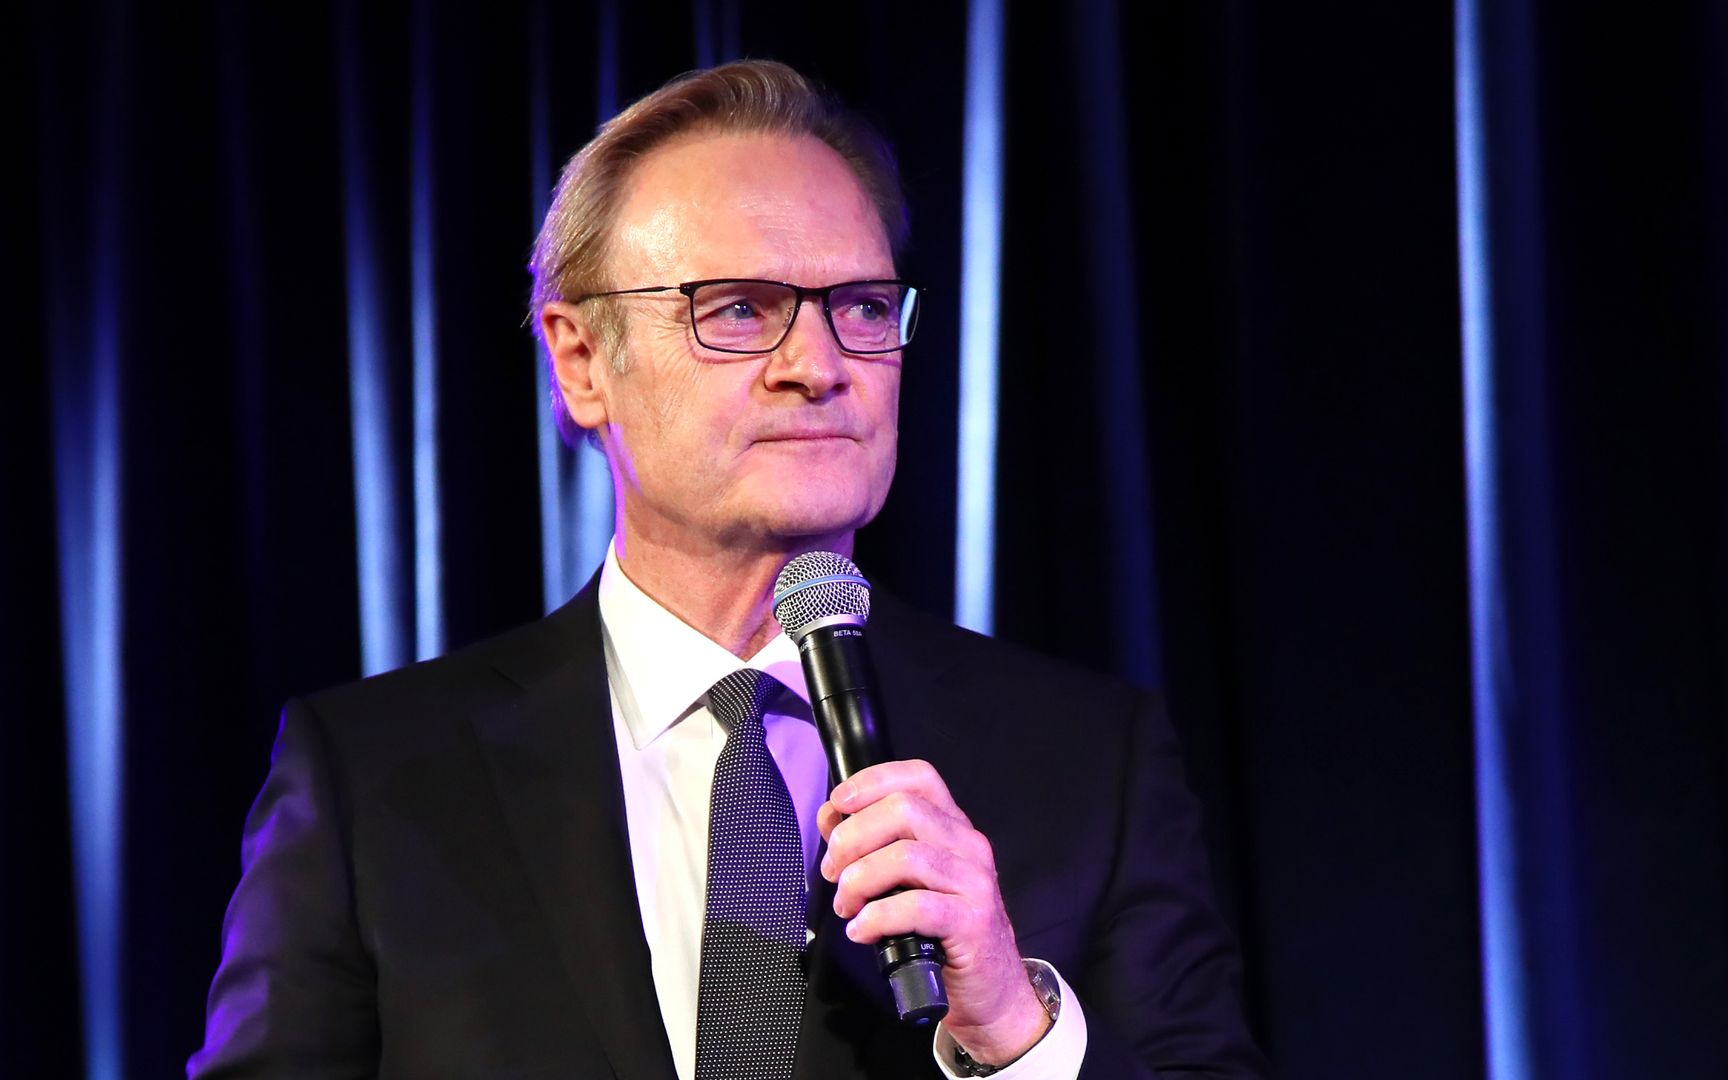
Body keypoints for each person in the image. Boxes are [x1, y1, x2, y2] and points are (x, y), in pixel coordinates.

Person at [189, 60, 1271, 1079]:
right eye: (740, 309)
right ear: (580, 361)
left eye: (858, 307)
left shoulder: (1088, 761)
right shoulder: (374, 775)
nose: (819, 365)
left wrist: (1013, 1025)